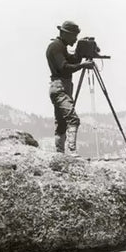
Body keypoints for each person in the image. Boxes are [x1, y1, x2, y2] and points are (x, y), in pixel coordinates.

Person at [46, 20, 95, 153]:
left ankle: (60, 154)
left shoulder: (60, 46)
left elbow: (72, 60)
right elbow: (64, 67)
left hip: (62, 86)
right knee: (73, 119)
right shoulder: (55, 47)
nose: (75, 39)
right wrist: (82, 65)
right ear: (65, 34)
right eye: (74, 36)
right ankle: (72, 152)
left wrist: (80, 51)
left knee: (61, 123)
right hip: (60, 87)